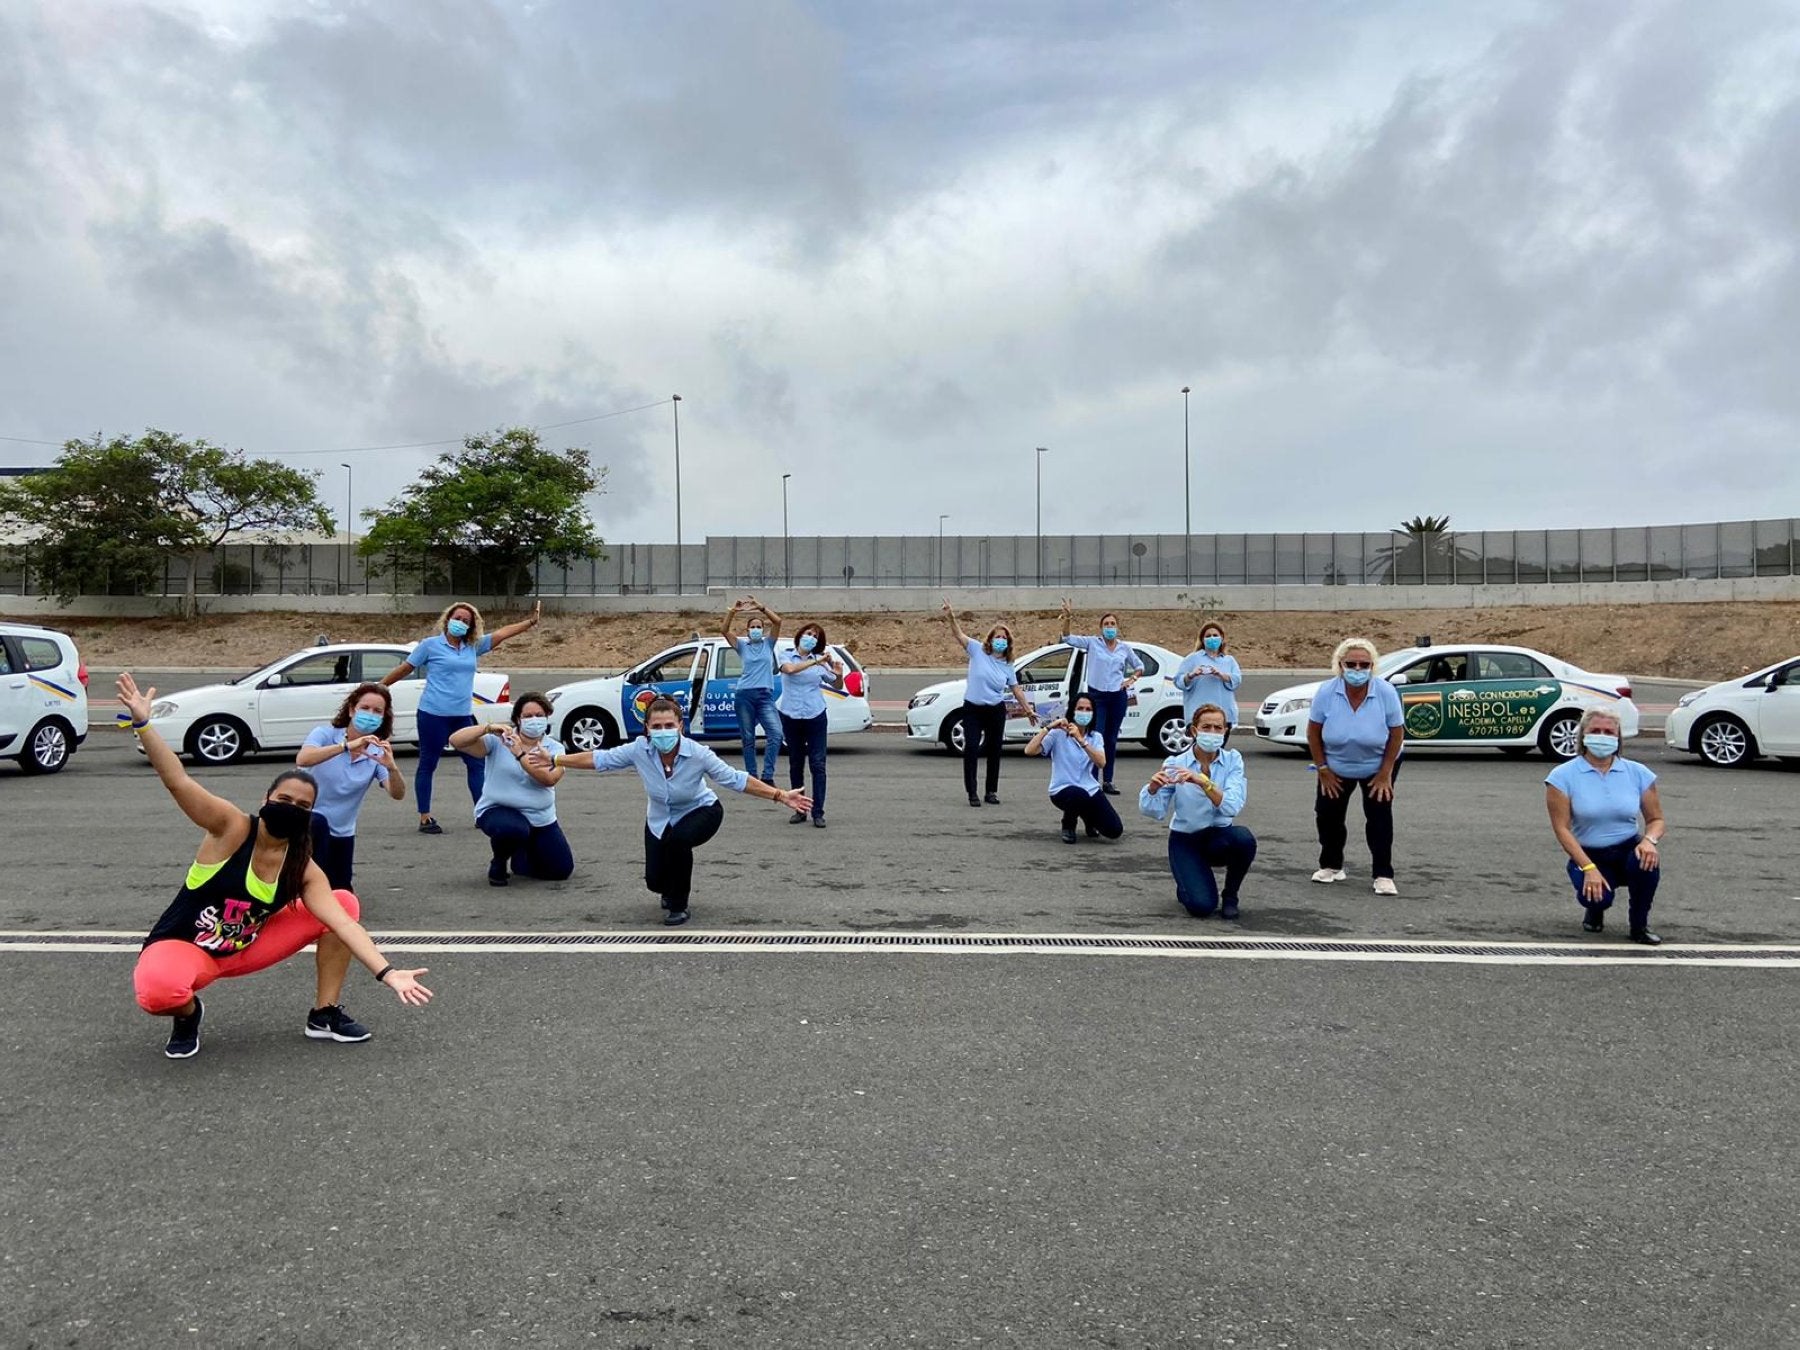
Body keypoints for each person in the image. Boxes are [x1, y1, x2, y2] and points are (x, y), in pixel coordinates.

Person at [118, 673, 432, 1059]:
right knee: (156, 992)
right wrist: (144, 725)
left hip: (248, 946)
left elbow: (344, 924)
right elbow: (178, 781)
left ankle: (324, 1013)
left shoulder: (302, 865)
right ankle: (187, 1014)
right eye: (285, 799)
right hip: (189, 947)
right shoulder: (231, 828)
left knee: (344, 902)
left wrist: (388, 973)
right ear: (267, 798)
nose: (292, 808)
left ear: (311, 814)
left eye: (303, 806)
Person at [551, 695, 811, 925]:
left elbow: (736, 779)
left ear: (680, 727)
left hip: (701, 810)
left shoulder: (698, 753)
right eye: (657, 727)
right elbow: (599, 759)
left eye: (669, 726)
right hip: (659, 818)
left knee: (678, 843)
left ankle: (679, 906)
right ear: (647, 729)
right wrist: (554, 758)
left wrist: (779, 795)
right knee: (655, 881)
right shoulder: (638, 749)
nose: (663, 731)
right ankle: (668, 890)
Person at [381, 599, 542, 835]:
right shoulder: (430, 645)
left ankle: (481, 812)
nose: (461, 623)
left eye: (466, 621)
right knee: (428, 763)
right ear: (448, 620)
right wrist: (381, 686)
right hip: (432, 714)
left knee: (475, 763)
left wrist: (529, 622)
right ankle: (425, 816)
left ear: (471, 626)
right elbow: (405, 668)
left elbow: (502, 634)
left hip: (461, 716)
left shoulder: (473, 646)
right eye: (457, 618)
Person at [1545, 709, 1666, 945]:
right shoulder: (1562, 776)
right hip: (1589, 853)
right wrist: (1588, 867)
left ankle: (1639, 926)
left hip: (1627, 847)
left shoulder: (1638, 773)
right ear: (1583, 737)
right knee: (1599, 899)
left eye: (1609, 732)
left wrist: (1649, 840)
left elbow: (1656, 820)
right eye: (1595, 731)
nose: (1602, 736)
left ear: (1618, 738)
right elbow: (1562, 829)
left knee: (1647, 863)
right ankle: (1595, 909)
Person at [1139, 704, 1257, 919]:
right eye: (1206, 727)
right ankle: (1189, 881)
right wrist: (1153, 788)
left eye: (1218, 728)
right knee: (1201, 907)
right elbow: (1153, 811)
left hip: (1218, 837)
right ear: (1194, 731)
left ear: (1225, 731)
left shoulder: (1233, 760)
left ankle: (1231, 895)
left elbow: (1232, 806)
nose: (1212, 733)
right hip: (1186, 839)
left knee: (1244, 839)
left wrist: (1204, 782)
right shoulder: (1176, 762)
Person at [1307, 637, 1405, 894]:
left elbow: (1396, 733)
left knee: (1379, 817)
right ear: (1340, 665)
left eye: (1364, 665)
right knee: (1328, 815)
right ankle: (1331, 865)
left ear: (1372, 666)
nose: (1358, 670)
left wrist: (1385, 774)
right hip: (1336, 764)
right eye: (1352, 664)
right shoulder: (1327, 691)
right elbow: (1313, 732)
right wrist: (1323, 769)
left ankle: (1383, 874)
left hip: (1379, 763)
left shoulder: (1385, 691)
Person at [450, 694, 574, 886]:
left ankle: (521, 856)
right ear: (517, 719)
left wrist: (520, 754)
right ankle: (499, 861)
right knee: (513, 829)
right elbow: (456, 741)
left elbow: (549, 780)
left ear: (547, 716)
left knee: (560, 870)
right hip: (498, 810)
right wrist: (487, 728)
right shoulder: (498, 742)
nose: (534, 720)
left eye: (539, 715)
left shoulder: (554, 748)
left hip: (540, 817)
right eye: (528, 716)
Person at [297, 683, 407, 895]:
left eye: (377, 711)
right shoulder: (325, 734)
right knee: (313, 886)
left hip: (341, 831)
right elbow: (303, 758)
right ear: (351, 710)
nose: (370, 715)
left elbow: (397, 794)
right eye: (365, 708)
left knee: (342, 893)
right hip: (305, 825)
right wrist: (347, 746)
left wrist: (392, 768)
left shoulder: (376, 751)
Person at [943, 597, 1037, 807]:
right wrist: (951, 616)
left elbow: (1016, 689)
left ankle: (991, 791)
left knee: (995, 751)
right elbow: (959, 635)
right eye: (997, 637)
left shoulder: (1008, 663)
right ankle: (972, 792)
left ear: (1008, 642)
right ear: (990, 639)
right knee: (972, 750)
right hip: (973, 709)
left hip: (995, 710)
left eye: (1004, 638)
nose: (1001, 640)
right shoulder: (977, 650)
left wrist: (1028, 710)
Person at [1059, 601, 1145, 795]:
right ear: (1101, 628)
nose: (1109, 627)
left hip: (1117, 696)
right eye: (1106, 624)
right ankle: (1090, 779)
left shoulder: (1124, 648)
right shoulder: (1092, 643)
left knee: (1111, 739)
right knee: (1095, 737)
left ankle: (1108, 780)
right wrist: (1067, 618)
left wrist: (1130, 680)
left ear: (1117, 627)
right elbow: (1067, 638)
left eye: (1112, 624)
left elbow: (1140, 666)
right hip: (1097, 697)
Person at [1025, 693, 1121, 843]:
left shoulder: (1095, 737)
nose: (1084, 712)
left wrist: (1081, 740)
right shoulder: (1058, 734)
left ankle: (1089, 819)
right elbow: (1029, 750)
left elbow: (1101, 763)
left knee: (1114, 830)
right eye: (1080, 708)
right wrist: (1048, 728)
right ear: (1072, 711)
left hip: (1090, 789)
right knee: (1078, 794)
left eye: (1088, 709)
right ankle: (1068, 826)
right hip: (1063, 790)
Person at [777, 621, 844, 828]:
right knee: (796, 764)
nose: (811, 638)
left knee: (818, 765)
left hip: (815, 716)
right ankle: (800, 809)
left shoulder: (819, 661)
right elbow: (789, 670)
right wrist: (815, 663)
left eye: (815, 636)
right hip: (791, 715)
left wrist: (837, 672)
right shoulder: (786, 654)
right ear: (800, 636)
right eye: (808, 634)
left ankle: (818, 812)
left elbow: (836, 683)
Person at [721, 594, 783, 785]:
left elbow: (778, 621)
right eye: (752, 627)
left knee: (776, 734)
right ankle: (752, 776)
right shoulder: (742, 645)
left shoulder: (768, 644)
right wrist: (733, 611)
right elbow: (724, 630)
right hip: (744, 695)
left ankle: (768, 775)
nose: (756, 629)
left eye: (759, 627)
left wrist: (760, 607)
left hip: (764, 695)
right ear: (747, 631)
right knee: (748, 737)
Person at [1176, 621, 1243, 729]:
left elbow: (1236, 680)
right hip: (1198, 715)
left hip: (1223, 715)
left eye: (1215, 635)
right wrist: (1191, 675)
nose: (1212, 638)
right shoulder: (1193, 659)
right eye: (1208, 636)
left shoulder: (1229, 660)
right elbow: (1178, 681)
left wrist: (1221, 675)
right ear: (1202, 639)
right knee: (1201, 744)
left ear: (1221, 638)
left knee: (1219, 744)